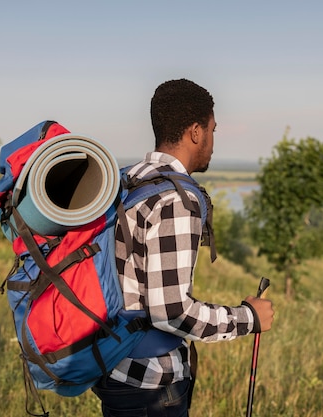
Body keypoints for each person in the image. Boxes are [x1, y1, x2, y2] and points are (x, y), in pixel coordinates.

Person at [91, 78, 275, 417]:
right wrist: (247, 318)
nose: (213, 142)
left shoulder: (129, 180)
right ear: (195, 131)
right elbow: (171, 311)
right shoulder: (176, 198)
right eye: (212, 130)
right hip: (151, 387)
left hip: (115, 369)